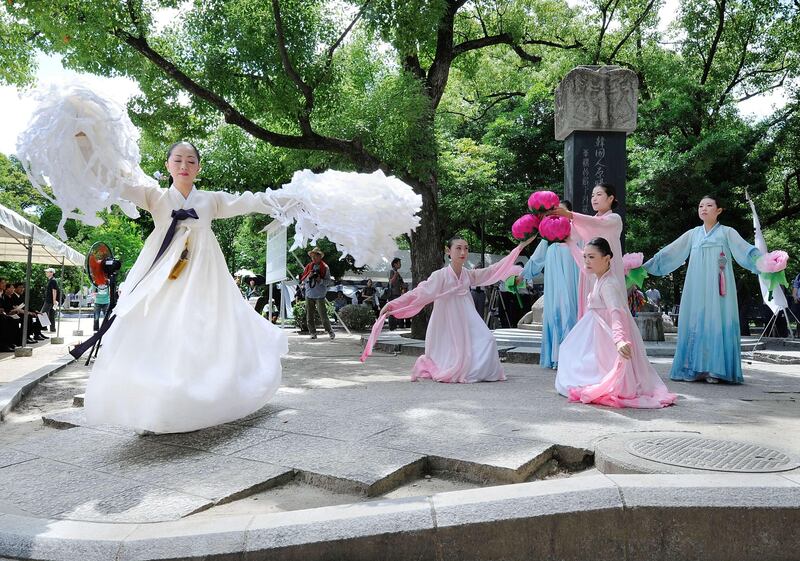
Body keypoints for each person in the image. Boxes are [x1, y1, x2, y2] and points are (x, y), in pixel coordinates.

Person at [82, 141, 288, 434]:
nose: (184, 166)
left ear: (198, 168)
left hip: (205, 275)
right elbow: (114, 181)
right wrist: (84, 144)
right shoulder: (154, 197)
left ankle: (199, 399)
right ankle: (156, 404)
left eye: (191, 161)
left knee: (202, 331)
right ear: (167, 165)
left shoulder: (210, 201)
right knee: (161, 330)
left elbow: (249, 202)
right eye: (177, 160)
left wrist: (285, 200)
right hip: (164, 276)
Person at [362, 235, 537, 382]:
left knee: (488, 341)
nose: (463, 252)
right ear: (448, 251)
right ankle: (461, 368)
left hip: (468, 318)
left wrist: (519, 247)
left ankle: (475, 370)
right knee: (452, 356)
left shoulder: (468, 274)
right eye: (458, 248)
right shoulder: (440, 276)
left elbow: (493, 271)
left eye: (466, 248)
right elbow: (418, 294)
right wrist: (392, 304)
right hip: (447, 320)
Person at [643, 195, 766, 384]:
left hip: (719, 287)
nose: (704, 209)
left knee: (717, 320)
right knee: (695, 320)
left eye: (709, 205)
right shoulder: (693, 234)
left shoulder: (727, 232)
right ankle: (695, 368)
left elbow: (745, 250)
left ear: (719, 210)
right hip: (696, 285)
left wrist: (765, 262)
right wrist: (645, 266)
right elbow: (670, 253)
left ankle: (716, 370)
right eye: (701, 205)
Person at [555, 237, 677, 408]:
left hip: (608, 331)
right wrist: (570, 244)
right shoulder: (600, 278)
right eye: (585, 257)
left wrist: (619, 340)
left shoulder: (608, 284)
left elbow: (617, 313)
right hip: (598, 331)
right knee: (571, 351)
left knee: (583, 358)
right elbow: (581, 263)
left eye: (592, 257)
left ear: (606, 259)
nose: (587, 261)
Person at [549, 183, 626, 319]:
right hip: (590, 273)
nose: (594, 198)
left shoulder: (614, 219)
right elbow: (570, 235)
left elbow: (597, 224)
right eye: (592, 195)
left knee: (611, 310)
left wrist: (570, 215)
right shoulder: (588, 222)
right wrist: (551, 220)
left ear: (610, 198)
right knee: (590, 312)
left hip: (608, 273)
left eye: (599, 194)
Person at [520, 200, 580, 369]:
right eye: (554, 211)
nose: (557, 214)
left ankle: (572, 358)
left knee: (572, 313)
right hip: (554, 287)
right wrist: (521, 275)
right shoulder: (548, 238)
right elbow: (536, 260)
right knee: (556, 314)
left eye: (562, 211)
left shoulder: (578, 234)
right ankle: (557, 357)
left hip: (573, 284)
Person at [300, 247, 335, 340]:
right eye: (312, 256)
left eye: (315, 256)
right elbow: (303, 279)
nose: (313, 258)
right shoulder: (308, 266)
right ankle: (312, 333)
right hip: (309, 294)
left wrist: (320, 280)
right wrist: (309, 277)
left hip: (320, 294)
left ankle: (330, 331)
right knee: (309, 315)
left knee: (323, 315)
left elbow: (328, 282)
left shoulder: (325, 267)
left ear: (320, 257)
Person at [387, 257, 404, 330]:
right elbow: (391, 282)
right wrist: (395, 275)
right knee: (392, 310)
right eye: (399, 263)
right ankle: (392, 326)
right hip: (393, 294)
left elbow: (401, 283)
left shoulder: (397, 273)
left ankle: (397, 325)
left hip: (398, 294)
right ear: (395, 264)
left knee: (397, 309)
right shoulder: (392, 271)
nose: (400, 265)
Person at [41, 267, 59, 332]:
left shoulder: (53, 280)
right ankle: (52, 328)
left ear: (51, 273)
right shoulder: (51, 280)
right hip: (51, 300)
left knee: (42, 313)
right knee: (51, 314)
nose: (46, 273)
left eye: (47, 272)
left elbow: (54, 290)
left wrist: (54, 300)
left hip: (49, 300)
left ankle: (44, 327)